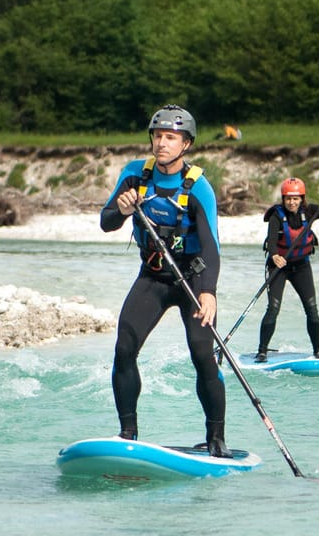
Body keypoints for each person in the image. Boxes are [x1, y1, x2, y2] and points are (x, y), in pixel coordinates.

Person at [100, 104, 231, 458]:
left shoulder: (199, 186)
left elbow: (212, 245)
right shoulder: (133, 175)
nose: (162, 143)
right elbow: (106, 221)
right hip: (153, 276)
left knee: (203, 355)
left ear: (185, 144)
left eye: (171, 138)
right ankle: (128, 433)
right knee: (124, 348)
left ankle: (216, 438)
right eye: (158, 136)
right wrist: (123, 209)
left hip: (192, 279)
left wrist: (209, 293)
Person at [255, 177, 319, 362]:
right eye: (288, 198)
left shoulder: (310, 211)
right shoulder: (276, 215)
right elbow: (271, 240)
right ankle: (262, 351)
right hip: (278, 267)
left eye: (296, 198)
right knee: (273, 308)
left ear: (301, 198)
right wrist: (274, 255)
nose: (292, 202)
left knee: (311, 308)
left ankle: (317, 351)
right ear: (283, 198)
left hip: (301, 266)